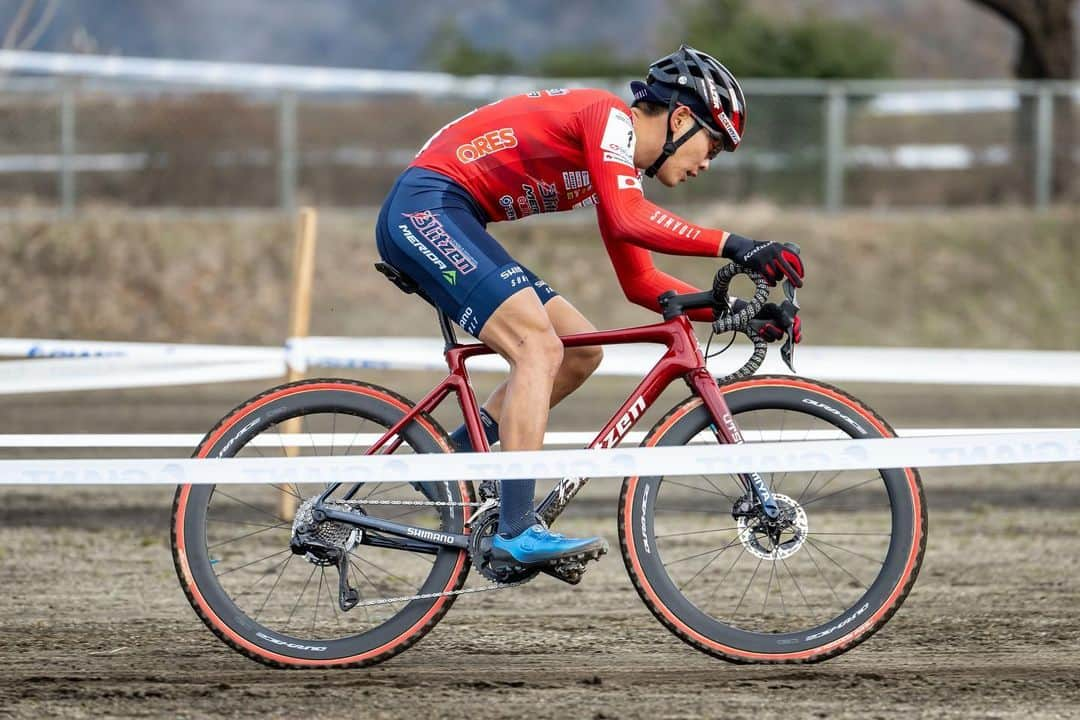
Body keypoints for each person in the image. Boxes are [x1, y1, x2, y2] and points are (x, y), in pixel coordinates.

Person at [375, 45, 804, 571]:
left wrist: (741, 314)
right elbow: (629, 219)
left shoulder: (616, 162)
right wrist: (736, 244)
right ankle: (515, 528)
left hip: (450, 214)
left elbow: (642, 282)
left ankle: (452, 458)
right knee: (537, 346)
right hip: (427, 207)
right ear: (681, 118)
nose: (708, 164)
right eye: (712, 145)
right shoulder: (606, 119)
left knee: (580, 352)